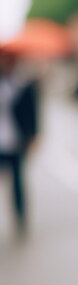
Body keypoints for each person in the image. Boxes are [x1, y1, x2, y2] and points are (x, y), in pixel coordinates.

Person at [0, 49, 38, 234]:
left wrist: (34, 135)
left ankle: (20, 218)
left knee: (17, 183)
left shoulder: (23, 84)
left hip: (16, 140)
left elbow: (33, 112)